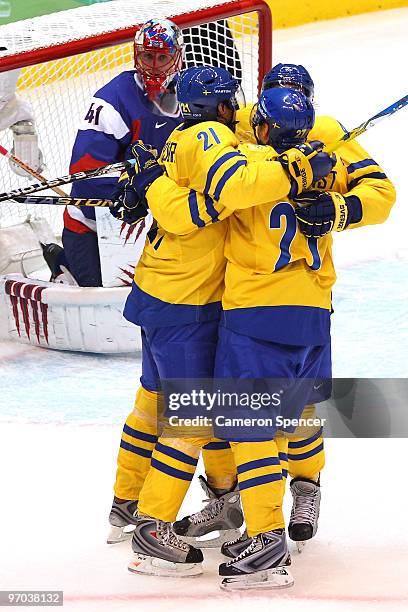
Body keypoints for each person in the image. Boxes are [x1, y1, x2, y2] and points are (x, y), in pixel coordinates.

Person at [122, 72, 395, 589]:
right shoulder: (318, 152)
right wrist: (330, 199)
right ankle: (242, 508)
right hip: (310, 311)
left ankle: (262, 532)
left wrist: (151, 183)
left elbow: (218, 190)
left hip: (249, 313)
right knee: (278, 413)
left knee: (237, 423)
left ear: (262, 122)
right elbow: (378, 198)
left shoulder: (247, 160)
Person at [61, 18, 184, 287]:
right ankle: (59, 263)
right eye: (147, 56)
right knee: (104, 300)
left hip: (163, 220)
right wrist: (126, 194)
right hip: (99, 227)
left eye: (162, 57)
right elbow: (85, 172)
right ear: (136, 55)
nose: (153, 66)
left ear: (178, 57)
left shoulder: (193, 95)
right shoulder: (112, 100)